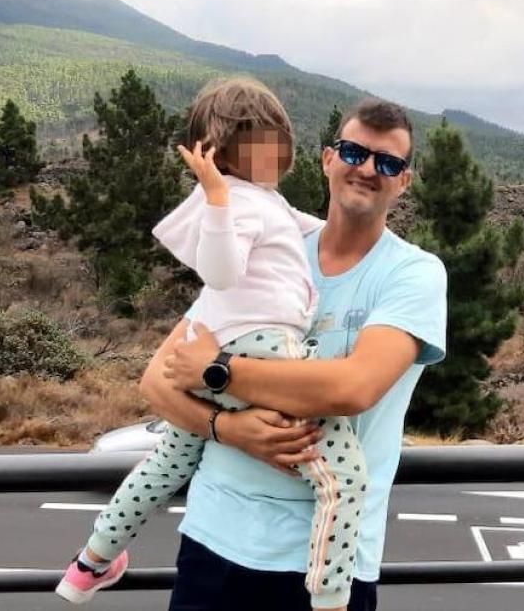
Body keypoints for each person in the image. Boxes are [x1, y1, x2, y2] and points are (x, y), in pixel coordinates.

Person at [57, 77, 366, 611]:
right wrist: (218, 199)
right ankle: (332, 597)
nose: (275, 153)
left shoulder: (262, 202)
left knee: (166, 464)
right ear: (222, 154)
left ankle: (91, 563)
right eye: (261, 144)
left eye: (277, 141)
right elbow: (221, 272)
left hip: (215, 347)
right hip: (266, 349)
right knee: (345, 481)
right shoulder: (235, 203)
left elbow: (309, 231)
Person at [144, 96, 447, 611]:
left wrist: (219, 373)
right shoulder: (271, 244)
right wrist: (228, 429)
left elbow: (353, 388)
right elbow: (157, 381)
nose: (368, 169)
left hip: (324, 565)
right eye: (354, 152)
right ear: (328, 159)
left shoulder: (413, 274)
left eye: (388, 162)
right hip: (213, 543)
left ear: (404, 181)